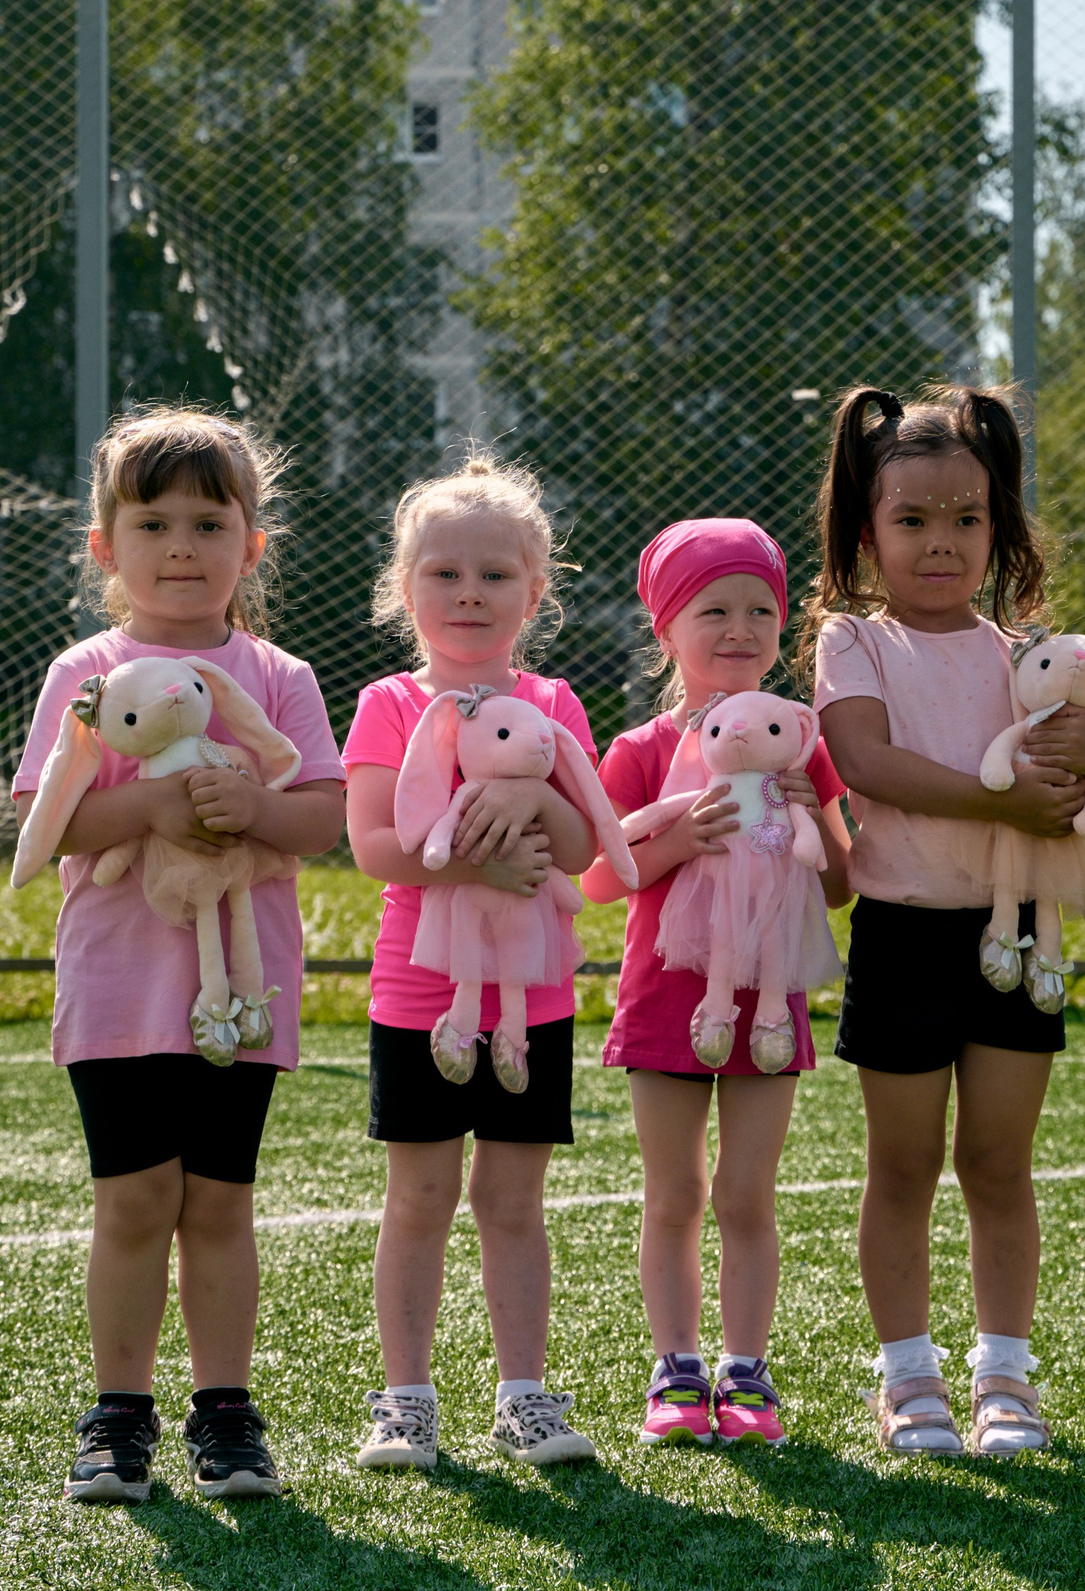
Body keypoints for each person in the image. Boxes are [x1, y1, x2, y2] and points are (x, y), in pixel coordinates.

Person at [14, 409, 344, 1504]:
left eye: (210, 521)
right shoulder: (88, 675)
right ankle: (117, 1416)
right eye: (152, 522)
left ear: (252, 544)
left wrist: (251, 805)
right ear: (105, 545)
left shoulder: (279, 674)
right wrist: (151, 803)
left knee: (217, 1203)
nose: (182, 546)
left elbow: (321, 820)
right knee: (133, 1202)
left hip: (237, 998)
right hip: (116, 992)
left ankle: (226, 1413)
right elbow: (48, 826)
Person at [808, 384, 1085, 1456]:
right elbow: (864, 764)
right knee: (901, 1166)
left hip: (1017, 931)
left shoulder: (1031, 658)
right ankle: (907, 1378)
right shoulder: (854, 642)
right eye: (911, 521)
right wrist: (995, 798)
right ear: (867, 532)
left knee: (997, 1163)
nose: (940, 543)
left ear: (1000, 530)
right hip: (901, 932)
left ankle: (1004, 1377)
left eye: (966, 520)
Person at [340, 454, 600, 1470]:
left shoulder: (555, 701)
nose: (468, 593)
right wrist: (478, 862)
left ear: (533, 593)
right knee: (419, 1197)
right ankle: (405, 1401)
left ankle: (524, 1397)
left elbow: (581, 846)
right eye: (443, 573)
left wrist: (535, 805)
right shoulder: (389, 704)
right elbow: (373, 847)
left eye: (494, 575)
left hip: (531, 998)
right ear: (405, 591)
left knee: (513, 1200)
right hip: (420, 997)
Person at [582, 518, 854, 1448]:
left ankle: (747, 1370)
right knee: (674, 1194)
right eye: (714, 610)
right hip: (665, 996)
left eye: (761, 611)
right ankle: (676, 1370)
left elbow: (843, 881)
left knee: (746, 1195)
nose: (740, 629)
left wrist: (814, 813)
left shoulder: (798, 741)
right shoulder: (642, 749)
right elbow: (598, 878)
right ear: (666, 628)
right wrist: (675, 841)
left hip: (770, 1002)